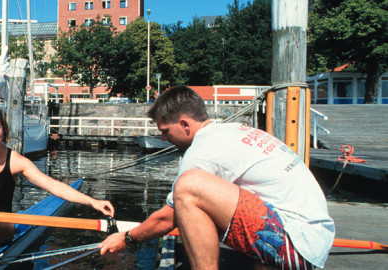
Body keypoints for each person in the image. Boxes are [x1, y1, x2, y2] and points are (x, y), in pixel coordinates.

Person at [99, 86, 334, 269]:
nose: (163, 139)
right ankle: (266, 263)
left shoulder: (202, 150)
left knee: (188, 187)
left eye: (165, 131)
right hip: (310, 239)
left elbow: (166, 219)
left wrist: (128, 238)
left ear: (184, 124)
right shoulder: (231, 130)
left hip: (297, 246)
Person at [0, 104, 114, 270]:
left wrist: (92, 201)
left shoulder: (16, 161)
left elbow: (53, 186)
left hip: (1, 231)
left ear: (3, 129)